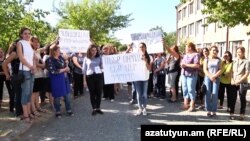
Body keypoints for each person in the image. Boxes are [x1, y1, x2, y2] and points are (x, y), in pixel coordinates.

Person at [46, 45, 74, 118]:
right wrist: (64, 69)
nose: (60, 51)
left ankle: (69, 109)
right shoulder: (49, 60)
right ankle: (58, 111)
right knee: (57, 96)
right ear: (54, 51)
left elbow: (65, 66)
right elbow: (53, 71)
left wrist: (67, 66)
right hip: (56, 80)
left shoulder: (61, 58)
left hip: (64, 79)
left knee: (67, 95)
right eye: (58, 50)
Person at [16, 27, 36, 123]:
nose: (27, 35)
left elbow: (33, 58)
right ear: (21, 35)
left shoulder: (29, 44)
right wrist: (30, 66)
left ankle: (29, 112)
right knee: (25, 93)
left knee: (29, 93)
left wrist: (34, 66)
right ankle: (25, 115)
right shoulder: (20, 43)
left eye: (28, 33)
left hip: (31, 71)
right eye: (25, 33)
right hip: (24, 71)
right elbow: (21, 58)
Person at [2, 40, 23, 118]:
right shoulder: (14, 53)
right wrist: (7, 75)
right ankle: (19, 113)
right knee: (18, 95)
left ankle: (22, 111)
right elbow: (4, 64)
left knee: (21, 94)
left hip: (21, 76)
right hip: (16, 77)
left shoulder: (21, 53)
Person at [82, 44, 104, 116]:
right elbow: (84, 70)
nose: (94, 52)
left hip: (99, 76)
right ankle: (94, 108)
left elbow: (102, 66)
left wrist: (102, 68)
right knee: (92, 93)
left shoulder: (100, 57)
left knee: (99, 93)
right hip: (90, 77)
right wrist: (84, 81)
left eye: (95, 50)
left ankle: (98, 108)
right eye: (92, 50)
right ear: (89, 51)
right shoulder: (86, 58)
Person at [230, 47, 250, 120]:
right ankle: (231, 113)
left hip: (242, 83)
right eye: (237, 52)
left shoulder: (247, 61)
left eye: (240, 52)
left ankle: (242, 114)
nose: (238, 53)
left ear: (243, 53)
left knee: (242, 98)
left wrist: (239, 81)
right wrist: (232, 80)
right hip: (234, 82)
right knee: (233, 98)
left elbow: (247, 73)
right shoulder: (234, 61)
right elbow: (231, 72)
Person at [180, 42, 200, 112]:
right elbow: (182, 63)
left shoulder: (196, 55)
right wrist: (181, 64)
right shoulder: (186, 55)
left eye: (186, 47)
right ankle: (185, 104)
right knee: (184, 89)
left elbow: (197, 65)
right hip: (184, 74)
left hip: (192, 74)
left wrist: (185, 65)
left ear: (190, 47)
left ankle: (192, 105)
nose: (185, 48)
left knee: (191, 90)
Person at [203, 46, 222, 117]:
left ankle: (214, 110)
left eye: (216, 50)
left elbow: (220, 69)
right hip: (208, 78)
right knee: (208, 93)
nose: (215, 52)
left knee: (215, 94)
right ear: (210, 51)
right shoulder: (206, 59)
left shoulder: (219, 60)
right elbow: (205, 69)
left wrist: (214, 76)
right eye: (213, 50)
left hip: (216, 78)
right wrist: (211, 76)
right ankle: (208, 110)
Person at [134, 42, 151, 116]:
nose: (141, 48)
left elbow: (149, 69)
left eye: (143, 47)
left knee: (144, 94)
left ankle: (144, 108)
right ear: (138, 48)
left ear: (145, 48)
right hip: (137, 78)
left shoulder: (149, 57)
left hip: (145, 78)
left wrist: (145, 61)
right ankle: (139, 108)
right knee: (138, 94)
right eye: (140, 47)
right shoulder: (134, 56)